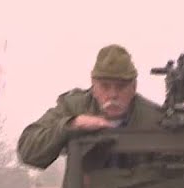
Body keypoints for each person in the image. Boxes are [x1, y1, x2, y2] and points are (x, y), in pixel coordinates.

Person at [16, 44, 165, 170]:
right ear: (93, 86)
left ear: (134, 87)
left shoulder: (154, 119)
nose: (113, 94)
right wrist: (71, 125)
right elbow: (28, 151)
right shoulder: (73, 107)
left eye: (121, 87)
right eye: (105, 86)